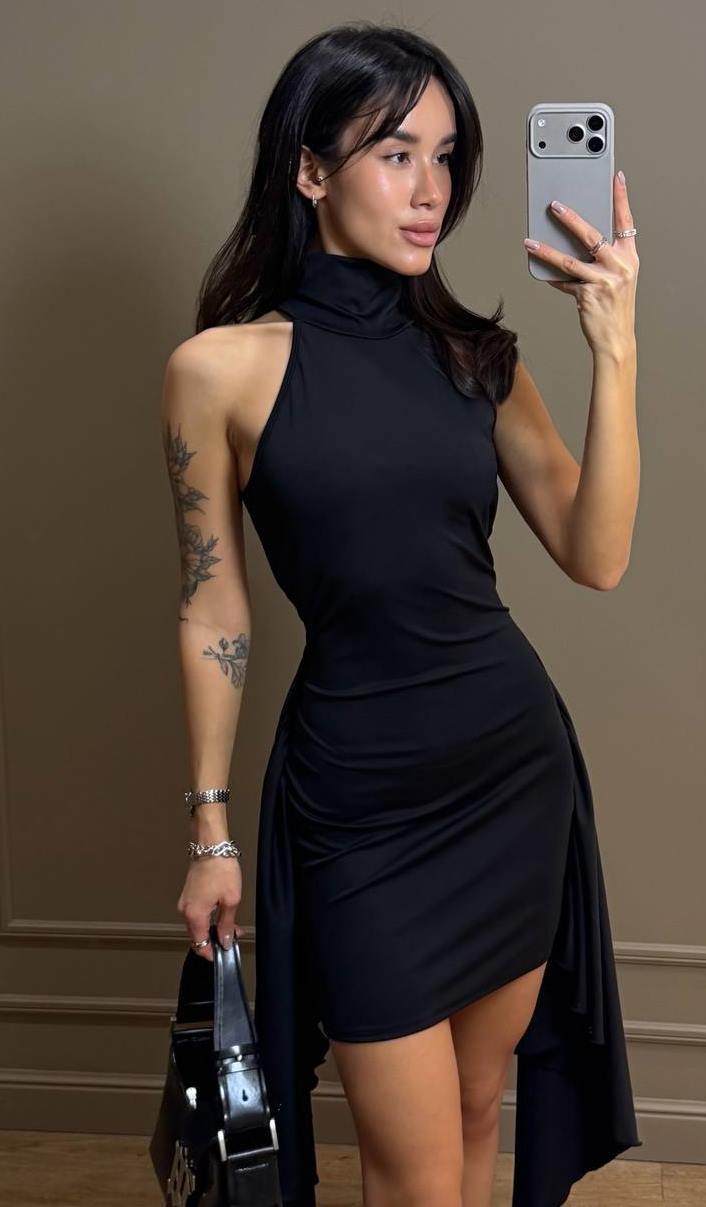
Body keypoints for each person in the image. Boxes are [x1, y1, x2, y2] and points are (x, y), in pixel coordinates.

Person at [160, 19, 642, 1207]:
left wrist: (614, 350)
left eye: (445, 156)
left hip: (508, 775)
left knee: (474, 1118)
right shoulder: (218, 369)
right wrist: (210, 831)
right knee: (414, 1172)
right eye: (394, 154)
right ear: (309, 170)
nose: (430, 190)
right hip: (358, 800)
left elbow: (596, 554)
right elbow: (213, 604)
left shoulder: (476, 356)